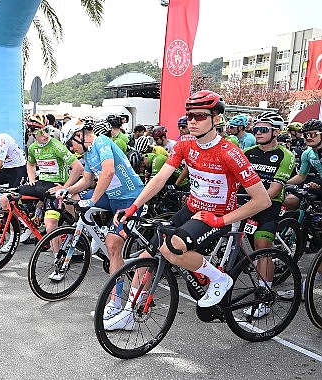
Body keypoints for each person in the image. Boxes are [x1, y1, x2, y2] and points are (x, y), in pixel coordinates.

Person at [106, 90, 271, 331]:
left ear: (216, 118)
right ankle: (129, 313)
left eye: (200, 116)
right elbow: (159, 179)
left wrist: (220, 220)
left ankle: (219, 278)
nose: (192, 121)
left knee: (172, 248)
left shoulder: (230, 153)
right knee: (145, 257)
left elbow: (262, 200)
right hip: (191, 209)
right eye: (189, 115)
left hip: (218, 216)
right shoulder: (185, 144)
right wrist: (133, 207)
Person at [56, 117, 143, 282]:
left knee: (112, 247)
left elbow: (108, 172)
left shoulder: (101, 142)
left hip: (129, 197)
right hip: (111, 196)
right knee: (74, 199)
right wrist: (67, 190)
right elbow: (87, 181)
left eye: (70, 143)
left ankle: (115, 302)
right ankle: (99, 233)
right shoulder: (88, 154)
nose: (70, 148)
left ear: (79, 135)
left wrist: (92, 200)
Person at [0, 115, 83, 259]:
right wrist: (31, 178)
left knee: (50, 225)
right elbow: (30, 164)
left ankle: (59, 258)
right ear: (31, 133)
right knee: (5, 199)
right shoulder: (32, 148)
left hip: (55, 187)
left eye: (46, 130)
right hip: (40, 184)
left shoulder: (56, 146)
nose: (45, 135)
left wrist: (65, 188)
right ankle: (19, 232)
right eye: (40, 132)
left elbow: (78, 167)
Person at [241, 111, 294, 317]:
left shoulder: (285, 155)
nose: (259, 133)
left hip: (269, 204)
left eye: (264, 129)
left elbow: (273, 190)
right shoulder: (249, 151)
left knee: (263, 248)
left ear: (276, 132)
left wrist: (257, 203)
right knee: (240, 244)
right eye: (256, 129)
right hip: (246, 202)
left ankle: (265, 295)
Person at [285, 119, 322, 208]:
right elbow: (301, 176)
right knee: (289, 201)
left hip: (318, 184)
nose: (308, 138)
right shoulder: (307, 153)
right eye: (305, 135)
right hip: (316, 187)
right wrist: (282, 183)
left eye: (312, 134)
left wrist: (318, 182)